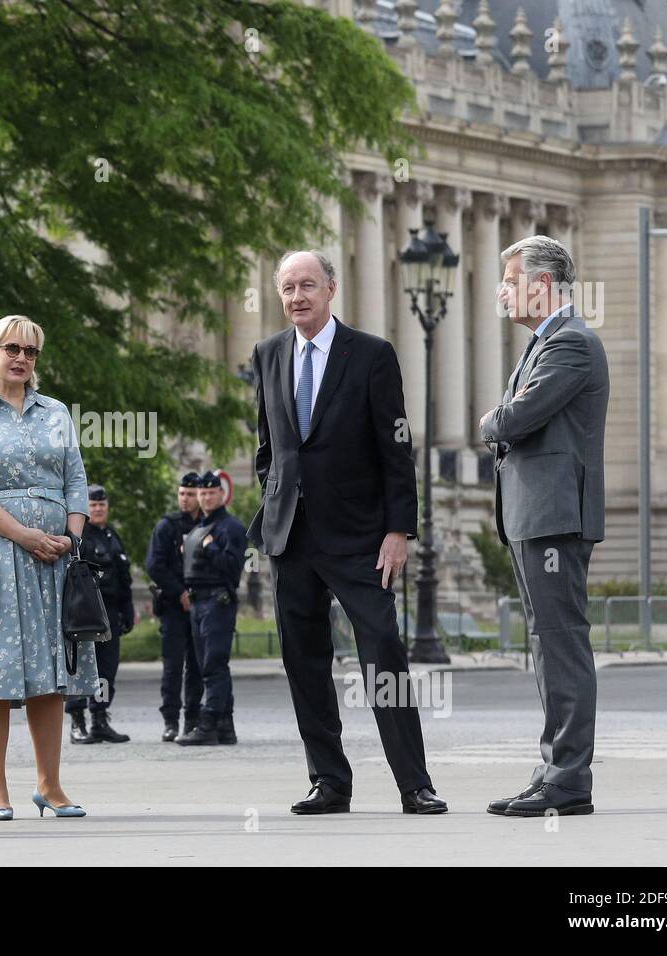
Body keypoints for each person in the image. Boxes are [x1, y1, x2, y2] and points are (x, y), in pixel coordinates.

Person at [247, 250, 448, 815]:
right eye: (287, 288)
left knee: (383, 653)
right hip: (292, 536)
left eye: (307, 285)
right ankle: (329, 781)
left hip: (362, 538)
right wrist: (274, 501)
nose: (296, 297)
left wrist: (399, 530)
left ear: (331, 288)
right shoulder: (267, 355)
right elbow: (268, 447)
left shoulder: (372, 355)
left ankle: (415, 783)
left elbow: (397, 450)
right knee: (304, 661)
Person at [480, 236, 608, 818]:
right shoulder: (543, 345)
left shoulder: (572, 344)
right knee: (547, 645)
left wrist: (491, 418)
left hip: (554, 516)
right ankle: (554, 768)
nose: (502, 293)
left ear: (543, 284)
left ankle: (568, 779)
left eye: (510, 281)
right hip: (534, 515)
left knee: (561, 643)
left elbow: (514, 418)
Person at [0, 315, 97, 821]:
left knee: (51, 674)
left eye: (31, 351)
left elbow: (76, 478)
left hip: (57, 557)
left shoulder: (56, 412)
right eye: (11, 348)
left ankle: (50, 784)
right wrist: (24, 534)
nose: (21, 358)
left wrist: (71, 538)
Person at [176, 471, 247, 747]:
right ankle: (225, 726)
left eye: (210, 493)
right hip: (197, 602)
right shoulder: (198, 528)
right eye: (201, 494)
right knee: (211, 666)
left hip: (217, 601)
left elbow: (232, 568)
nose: (205, 497)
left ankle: (207, 723)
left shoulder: (230, 527)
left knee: (213, 665)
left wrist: (211, 549)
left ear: (221, 494)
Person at [66, 484, 134, 744]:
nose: (97, 509)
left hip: (111, 613)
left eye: (101, 505)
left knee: (107, 669)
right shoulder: (78, 536)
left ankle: (100, 719)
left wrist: (128, 611)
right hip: (85, 612)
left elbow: (124, 578)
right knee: (80, 668)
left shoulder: (111, 536)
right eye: (93, 505)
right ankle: (77, 722)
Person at [145, 472, 206, 742]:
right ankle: (170, 721)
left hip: (201, 606)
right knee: (172, 667)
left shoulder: (207, 524)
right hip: (173, 607)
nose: (185, 499)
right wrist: (178, 591)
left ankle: (192, 720)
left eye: (190, 494)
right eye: (182, 493)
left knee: (197, 667)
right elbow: (154, 565)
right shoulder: (167, 526)